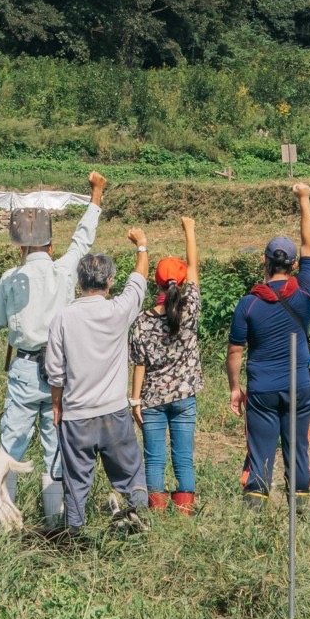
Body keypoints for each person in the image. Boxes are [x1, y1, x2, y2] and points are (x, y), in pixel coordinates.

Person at [0, 170, 107, 524]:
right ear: (51, 247)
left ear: (21, 248)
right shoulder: (66, 271)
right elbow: (83, 240)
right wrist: (95, 196)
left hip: (24, 368)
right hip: (60, 371)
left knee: (11, 447)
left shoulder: (11, 278)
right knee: (55, 446)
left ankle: (2, 521)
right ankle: (56, 522)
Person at [45, 229, 151, 531]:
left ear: (79, 283)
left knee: (76, 483)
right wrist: (141, 246)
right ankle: (137, 522)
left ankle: (75, 534)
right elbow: (139, 280)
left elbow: (55, 370)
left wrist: (57, 406)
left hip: (76, 414)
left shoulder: (63, 318)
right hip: (113, 411)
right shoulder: (119, 310)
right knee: (130, 474)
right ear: (109, 281)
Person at [226, 182, 310, 507]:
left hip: (262, 389)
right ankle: (300, 512)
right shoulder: (305, 292)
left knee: (260, 452)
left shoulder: (248, 304)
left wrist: (236, 387)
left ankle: (255, 513)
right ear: (294, 265)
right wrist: (304, 200)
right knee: (298, 449)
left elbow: (235, 351)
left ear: (264, 262)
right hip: (299, 386)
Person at [126, 216, 201, 513]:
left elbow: (139, 364)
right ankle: (184, 514)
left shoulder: (143, 320)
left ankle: (155, 512)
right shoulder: (190, 308)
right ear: (182, 283)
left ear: (156, 283)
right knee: (183, 456)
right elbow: (194, 268)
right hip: (184, 397)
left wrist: (135, 400)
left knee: (154, 458)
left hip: (152, 399)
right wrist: (189, 231)